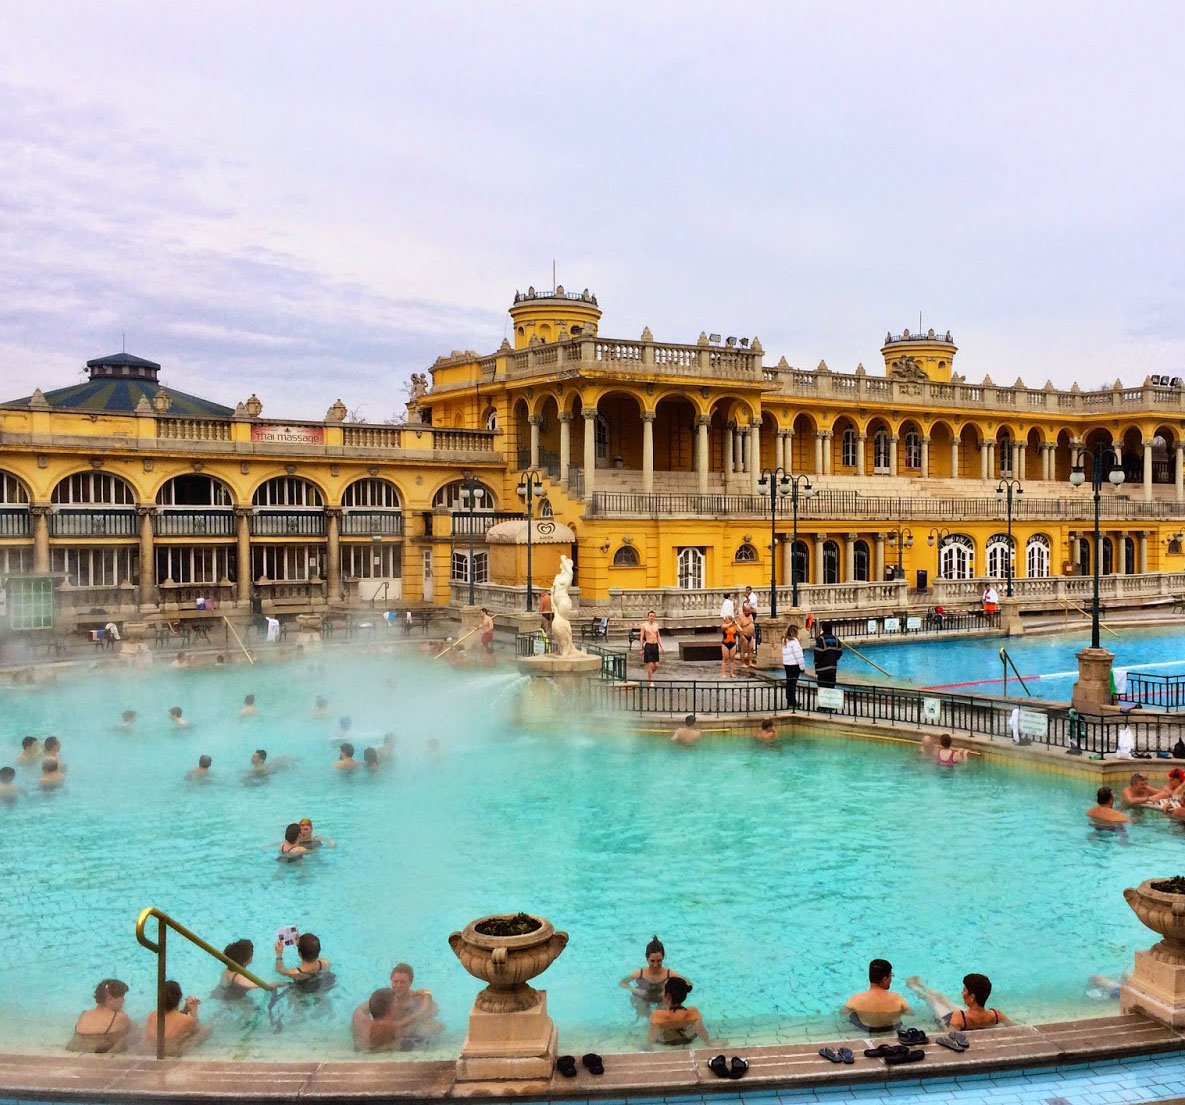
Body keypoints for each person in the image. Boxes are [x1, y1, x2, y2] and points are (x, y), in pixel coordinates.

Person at [907, 973, 1011, 1030]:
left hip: (951, 1018)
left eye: (964, 990)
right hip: (967, 1014)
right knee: (945, 1001)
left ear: (972, 997)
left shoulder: (958, 1017)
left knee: (934, 1001)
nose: (962, 993)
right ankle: (924, 987)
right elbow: (1017, 1027)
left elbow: (950, 1036)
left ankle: (919, 990)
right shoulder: (997, 1014)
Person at [620, 935, 687, 1018]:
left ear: (663, 958)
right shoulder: (639, 973)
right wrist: (635, 990)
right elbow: (622, 983)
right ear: (646, 958)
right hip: (643, 997)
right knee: (642, 1013)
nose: (655, 965)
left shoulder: (669, 974)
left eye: (659, 961)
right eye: (652, 961)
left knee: (661, 1016)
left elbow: (687, 984)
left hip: (662, 999)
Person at [843, 958, 912, 1032]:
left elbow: (843, 1012)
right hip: (891, 1027)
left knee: (852, 1015)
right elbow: (910, 1013)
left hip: (868, 1029)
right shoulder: (897, 997)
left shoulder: (856, 998)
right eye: (891, 976)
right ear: (885, 979)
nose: (891, 979)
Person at [68, 978, 134, 1053]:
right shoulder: (119, 1017)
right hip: (99, 1047)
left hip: (75, 1046)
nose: (123, 1000)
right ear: (110, 999)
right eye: (122, 996)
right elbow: (134, 1030)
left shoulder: (85, 1014)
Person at [385, 962, 442, 1047]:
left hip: (414, 1031)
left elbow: (433, 1013)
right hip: (399, 1031)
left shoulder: (417, 999)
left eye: (402, 982)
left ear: (410, 983)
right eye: (395, 981)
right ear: (391, 981)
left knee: (428, 1029)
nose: (398, 985)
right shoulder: (385, 998)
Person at [647, 976, 712, 1048]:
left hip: (667, 1042)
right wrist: (708, 1043)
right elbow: (701, 1031)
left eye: (663, 990)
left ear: (668, 995)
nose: (662, 993)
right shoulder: (693, 1011)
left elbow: (652, 1036)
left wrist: (647, 1046)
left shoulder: (657, 1015)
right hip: (688, 1039)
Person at [144, 980, 203, 1054]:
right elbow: (196, 1030)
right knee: (206, 1029)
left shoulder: (152, 1014)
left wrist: (185, 1010)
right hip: (171, 1053)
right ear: (180, 997)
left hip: (151, 1051)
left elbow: (174, 1019)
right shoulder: (187, 1020)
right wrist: (193, 1010)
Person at [813, 622, 843, 691]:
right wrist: (833, 659)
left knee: (823, 689)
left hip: (822, 669)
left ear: (823, 629)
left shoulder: (821, 639)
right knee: (831, 688)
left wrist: (816, 662)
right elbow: (839, 653)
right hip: (832, 668)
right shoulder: (836, 639)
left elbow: (817, 653)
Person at [638, 610, 664, 683]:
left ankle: (649, 675)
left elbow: (658, 636)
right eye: (650, 616)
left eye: (653, 616)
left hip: (655, 645)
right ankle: (651, 681)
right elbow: (642, 637)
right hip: (648, 645)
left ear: (655, 617)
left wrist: (661, 646)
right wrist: (640, 648)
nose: (652, 617)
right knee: (650, 664)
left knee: (657, 665)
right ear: (648, 617)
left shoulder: (656, 625)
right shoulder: (644, 625)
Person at [782, 625, 805, 709]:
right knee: (793, 683)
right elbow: (798, 655)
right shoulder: (794, 642)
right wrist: (802, 667)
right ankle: (793, 701)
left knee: (789, 682)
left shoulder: (785, 641)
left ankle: (789, 699)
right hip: (794, 665)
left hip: (787, 664)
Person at [735, 604, 755, 668]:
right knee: (743, 650)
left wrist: (753, 633)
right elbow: (738, 627)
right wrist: (741, 636)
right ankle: (742, 663)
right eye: (748, 611)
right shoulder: (741, 617)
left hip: (750, 635)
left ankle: (750, 662)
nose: (749, 612)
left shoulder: (750, 616)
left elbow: (752, 623)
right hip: (744, 635)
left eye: (749, 611)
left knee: (751, 649)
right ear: (744, 611)